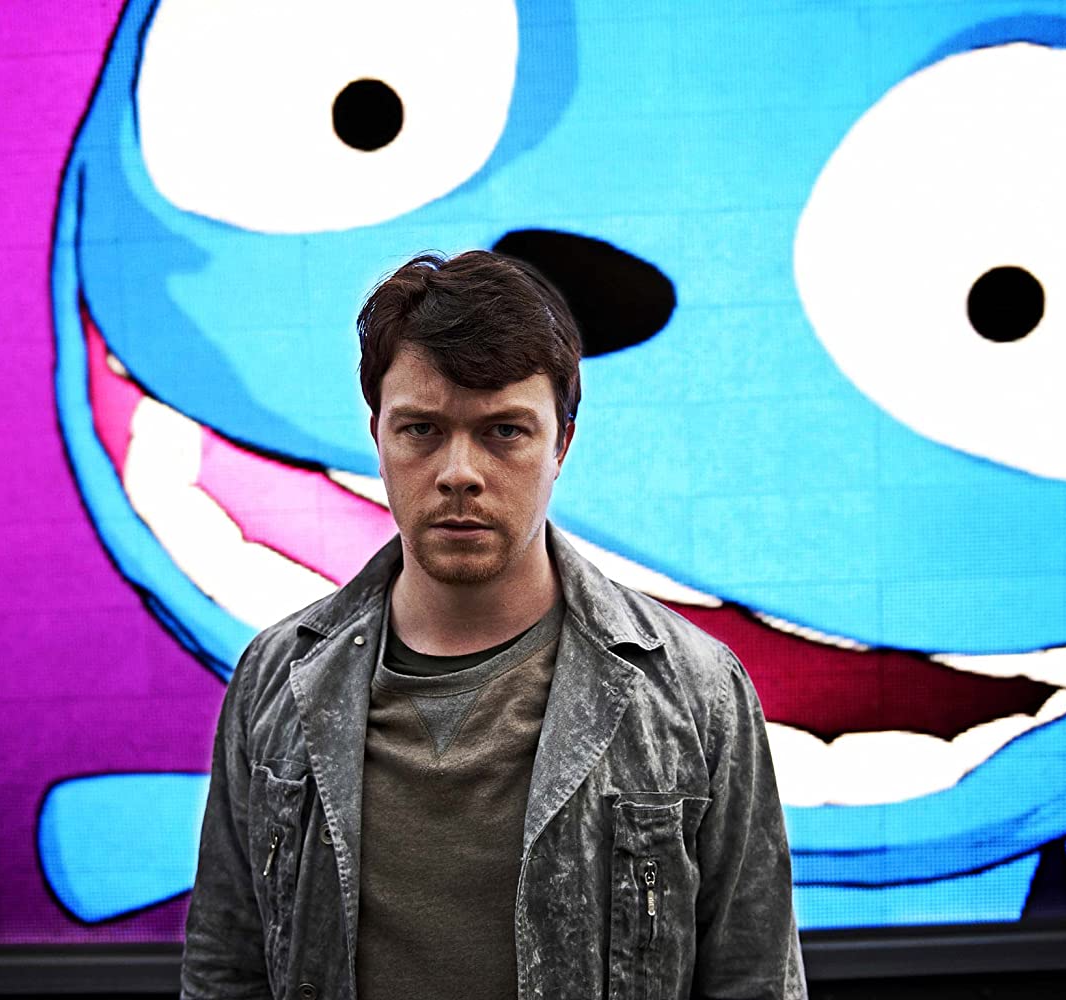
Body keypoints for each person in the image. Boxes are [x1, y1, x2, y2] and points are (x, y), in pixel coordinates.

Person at [180, 250, 806, 1000]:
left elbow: (754, 978)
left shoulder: (693, 692)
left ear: (560, 444)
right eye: (421, 429)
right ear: (378, 435)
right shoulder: (276, 680)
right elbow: (225, 967)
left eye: (504, 431)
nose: (459, 473)